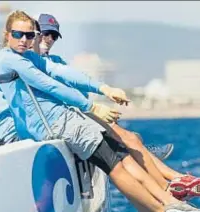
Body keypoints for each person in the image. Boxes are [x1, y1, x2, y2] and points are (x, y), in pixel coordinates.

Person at [0, 10, 200, 212]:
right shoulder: (9, 58)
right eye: (18, 34)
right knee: (115, 165)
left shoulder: (28, 57)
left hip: (66, 118)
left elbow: (60, 71)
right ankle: (163, 211)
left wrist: (103, 88)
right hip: (57, 124)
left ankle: (165, 208)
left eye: (29, 36)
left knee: (122, 158)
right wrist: (91, 107)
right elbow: (47, 84)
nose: (24, 40)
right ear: (7, 34)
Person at [32, 14, 199, 201]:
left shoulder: (55, 61)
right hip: (62, 121)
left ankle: (170, 178)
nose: (48, 39)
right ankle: (173, 180)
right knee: (129, 139)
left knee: (132, 137)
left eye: (53, 36)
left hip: (74, 115)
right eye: (45, 33)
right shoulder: (28, 64)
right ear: (35, 33)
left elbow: (78, 90)